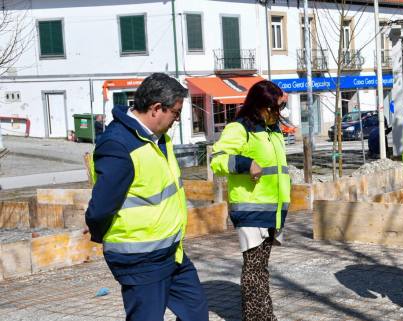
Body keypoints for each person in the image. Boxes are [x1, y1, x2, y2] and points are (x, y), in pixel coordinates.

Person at [85, 73, 209, 321]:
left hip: (171, 252)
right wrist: (101, 233)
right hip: (141, 259)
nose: (176, 120)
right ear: (156, 108)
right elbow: (100, 209)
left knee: (195, 313)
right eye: (175, 113)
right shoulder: (118, 145)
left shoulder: (158, 139)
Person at [210, 81, 291, 321]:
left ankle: (264, 316)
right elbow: (217, 160)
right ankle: (258, 318)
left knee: (260, 268)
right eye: (275, 107)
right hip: (250, 210)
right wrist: (245, 164)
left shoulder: (272, 130)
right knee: (254, 269)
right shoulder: (239, 128)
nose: (278, 112)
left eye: (280, 107)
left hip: (273, 210)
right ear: (260, 105)